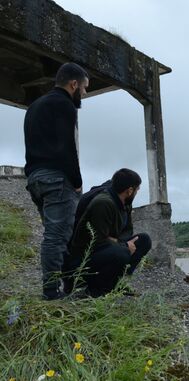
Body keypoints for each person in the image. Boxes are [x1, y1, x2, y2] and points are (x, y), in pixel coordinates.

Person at [24, 62, 89, 300]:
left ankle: (66, 286)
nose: (84, 94)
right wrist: (77, 180)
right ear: (73, 84)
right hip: (56, 179)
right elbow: (66, 147)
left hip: (35, 178)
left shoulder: (35, 107)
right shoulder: (64, 105)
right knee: (57, 237)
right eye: (83, 88)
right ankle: (51, 292)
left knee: (56, 235)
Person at [69, 168, 151, 297]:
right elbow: (97, 241)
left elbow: (127, 231)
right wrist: (123, 245)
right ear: (129, 191)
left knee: (144, 240)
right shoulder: (103, 203)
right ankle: (96, 290)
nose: (136, 193)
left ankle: (115, 283)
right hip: (83, 258)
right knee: (122, 252)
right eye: (137, 190)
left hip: (107, 248)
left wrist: (119, 242)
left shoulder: (125, 203)